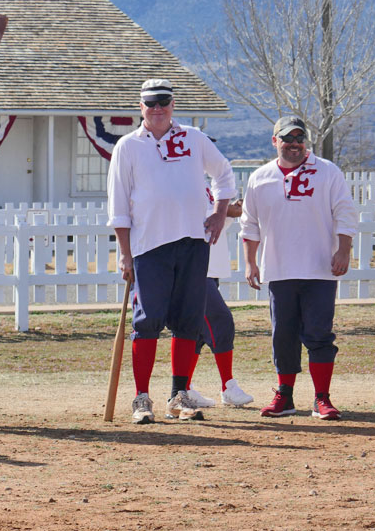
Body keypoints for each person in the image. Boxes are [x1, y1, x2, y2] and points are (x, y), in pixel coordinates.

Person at [107, 78, 235, 424]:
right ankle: (141, 398)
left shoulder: (194, 138)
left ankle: (179, 396)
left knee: (189, 321)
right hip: (149, 246)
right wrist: (125, 253)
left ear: (173, 105)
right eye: (151, 103)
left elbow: (224, 174)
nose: (157, 109)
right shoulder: (128, 146)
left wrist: (220, 212)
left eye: (163, 102)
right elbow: (118, 205)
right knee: (147, 321)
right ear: (141, 107)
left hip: (193, 242)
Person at [240, 116, 357, 420]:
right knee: (283, 335)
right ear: (274, 140)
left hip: (320, 269)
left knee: (319, 333)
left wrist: (343, 250)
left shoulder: (327, 171)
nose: (294, 144)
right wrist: (250, 262)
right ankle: (285, 396)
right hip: (279, 269)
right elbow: (249, 223)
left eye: (299, 138)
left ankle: (322, 398)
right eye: (287, 138)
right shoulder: (260, 177)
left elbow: (345, 212)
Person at [184, 197, 255, 408]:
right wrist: (226, 210)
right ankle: (228, 387)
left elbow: (220, 219)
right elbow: (195, 218)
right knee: (221, 320)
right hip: (193, 266)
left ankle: (184, 389)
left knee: (196, 334)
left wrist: (230, 210)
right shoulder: (185, 181)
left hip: (209, 266)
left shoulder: (207, 186)